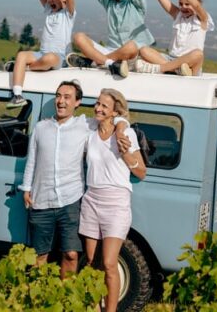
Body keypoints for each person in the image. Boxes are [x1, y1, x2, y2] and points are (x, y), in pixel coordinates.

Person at [19, 80, 128, 279]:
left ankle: (65, 300)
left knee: (70, 254)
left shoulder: (85, 125)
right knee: (39, 255)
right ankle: (36, 299)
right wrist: (26, 188)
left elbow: (116, 117)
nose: (61, 101)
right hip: (41, 200)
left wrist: (121, 129)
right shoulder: (41, 127)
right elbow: (31, 161)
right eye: (58, 96)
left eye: (67, 97)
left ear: (77, 103)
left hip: (71, 200)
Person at [79, 88, 146, 312]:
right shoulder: (90, 129)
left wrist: (125, 149)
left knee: (109, 263)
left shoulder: (127, 135)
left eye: (104, 106)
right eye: (97, 104)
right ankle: (93, 306)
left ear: (114, 110)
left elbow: (141, 172)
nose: (98, 108)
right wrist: (119, 124)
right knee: (91, 262)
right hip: (91, 200)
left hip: (116, 203)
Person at [4, 0, 76, 108]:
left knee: (49, 58)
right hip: (41, 53)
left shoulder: (68, 13)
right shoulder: (49, 10)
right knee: (22, 55)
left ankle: (24, 68)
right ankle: (17, 94)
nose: (49, 0)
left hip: (59, 56)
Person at [134, 0, 214, 76]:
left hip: (189, 63)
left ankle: (160, 68)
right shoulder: (178, 15)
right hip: (170, 59)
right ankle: (175, 70)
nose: (183, 7)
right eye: (181, 4)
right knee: (144, 50)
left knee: (198, 54)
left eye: (187, 4)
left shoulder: (203, 19)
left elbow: (196, 5)